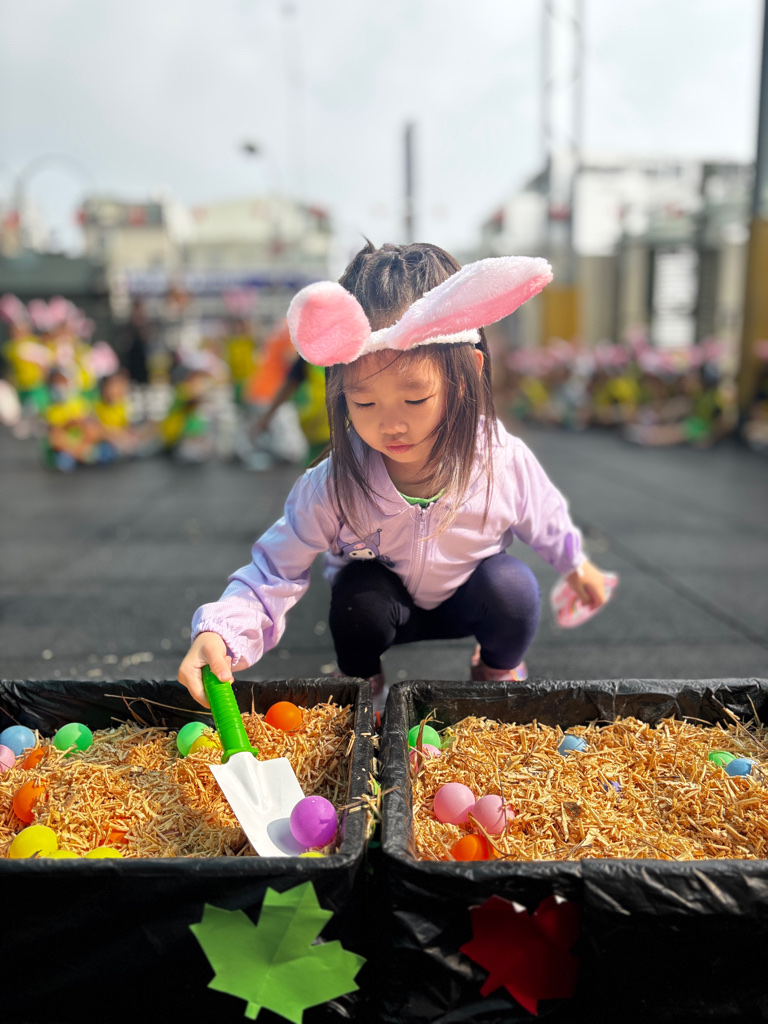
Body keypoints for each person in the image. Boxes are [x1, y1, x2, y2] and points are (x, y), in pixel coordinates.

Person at [177, 242, 609, 716]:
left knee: (514, 590)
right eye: (364, 403)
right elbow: (275, 569)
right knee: (356, 602)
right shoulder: (334, 485)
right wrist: (223, 630)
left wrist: (574, 562)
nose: (391, 425)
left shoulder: (498, 460)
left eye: (415, 398)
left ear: (467, 374)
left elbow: (544, 513)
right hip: (385, 607)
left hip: (469, 597)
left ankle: (495, 672)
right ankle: (365, 684)